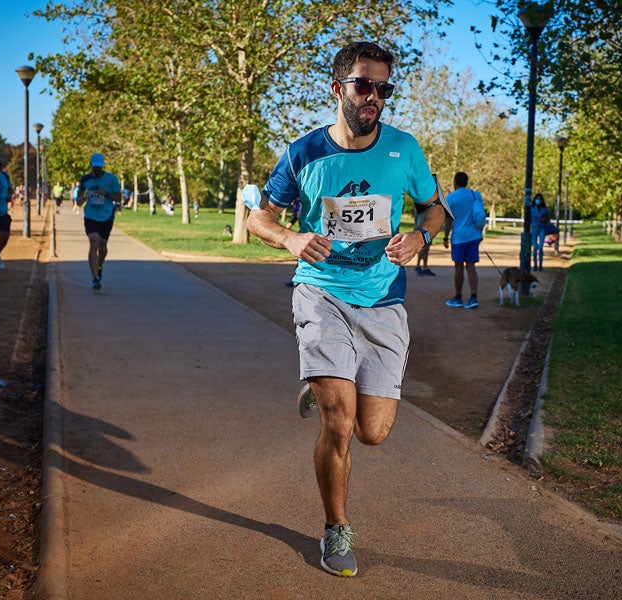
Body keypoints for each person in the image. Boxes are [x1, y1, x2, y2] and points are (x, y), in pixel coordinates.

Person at [246, 41, 446, 578]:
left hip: (382, 298)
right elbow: (259, 218)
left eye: (383, 88)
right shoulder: (302, 153)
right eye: (364, 85)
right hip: (321, 291)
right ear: (339, 88)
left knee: (372, 432)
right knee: (339, 422)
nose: (374, 96)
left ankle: (324, 383)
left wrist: (421, 237)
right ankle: (336, 528)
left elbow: (434, 208)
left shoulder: (404, 149)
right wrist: (289, 238)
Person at [76, 153, 122, 290]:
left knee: (102, 245)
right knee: (94, 242)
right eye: (95, 167)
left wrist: (106, 194)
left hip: (106, 216)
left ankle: (100, 266)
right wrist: (80, 200)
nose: (97, 169)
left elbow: (119, 198)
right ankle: (95, 278)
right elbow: (80, 195)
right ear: (91, 165)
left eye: (99, 167)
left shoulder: (111, 179)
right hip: (91, 216)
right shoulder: (85, 179)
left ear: (102, 166)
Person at [442, 172, 486, 308]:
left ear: (455, 182)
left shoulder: (451, 197)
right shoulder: (475, 195)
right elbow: (479, 214)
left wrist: (445, 237)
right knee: (471, 267)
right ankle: (473, 297)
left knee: (459, 267)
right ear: (466, 182)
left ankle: (458, 297)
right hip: (474, 236)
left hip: (459, 238)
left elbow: (448, 220)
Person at [530, 193, 551, 271]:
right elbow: (529, 219)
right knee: (535, 247)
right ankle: (535, 264)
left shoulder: (544, 209)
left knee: (540, 247)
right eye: (537, 199)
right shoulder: (532, 209)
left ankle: (540, 263)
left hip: (542, 229)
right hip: (534, 228)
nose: (538, 200)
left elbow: (548, 219)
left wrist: (545, 220)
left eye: (539, 199)